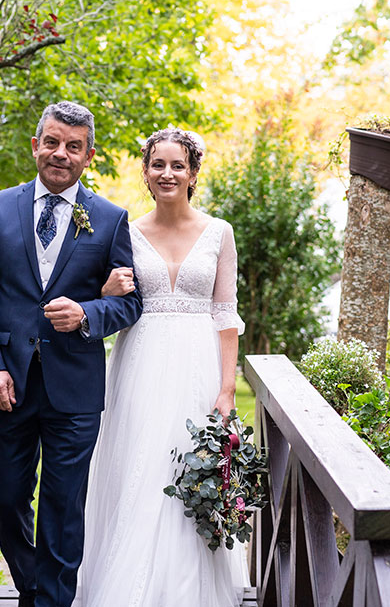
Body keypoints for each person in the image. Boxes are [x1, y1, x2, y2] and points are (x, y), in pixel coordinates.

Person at [0, 101, 143, 607]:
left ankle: (51, 603)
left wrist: (88, 314)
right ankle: (31, 587)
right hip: (9, 386)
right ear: (36, 143)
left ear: (89, 155)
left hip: (75, 388)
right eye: (52, 142)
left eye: (73, 146)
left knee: (63, 505)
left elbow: (131, 304)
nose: (60, 154)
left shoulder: (110, 219)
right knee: (8, 495)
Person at [73, 127, 246, 607]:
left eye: (177, 165)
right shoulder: (123, 231)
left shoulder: (219, 232)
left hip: (198, 362)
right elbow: (107, 299)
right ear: (146, 173)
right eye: (158, 165)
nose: (167, 173)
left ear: (193, 173)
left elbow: (225, 313)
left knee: (193, 467)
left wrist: (227, 388)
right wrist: (105, 292)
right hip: (140, 360)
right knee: (139, 466)